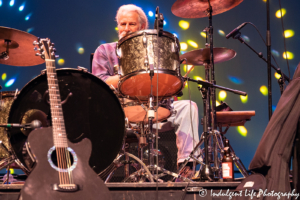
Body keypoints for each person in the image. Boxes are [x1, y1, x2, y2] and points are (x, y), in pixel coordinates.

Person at [92, 4, 200, 178]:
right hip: (121, 114)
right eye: (122, 24)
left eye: (131, 24)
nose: (126, 29)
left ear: (142, 27)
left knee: (188, 107)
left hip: (155, 109)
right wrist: (131, 77)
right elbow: (100, 83)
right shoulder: (104, 50)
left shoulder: (156, 51)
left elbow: (166, 83)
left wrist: (170, 84)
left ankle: (187, 166)